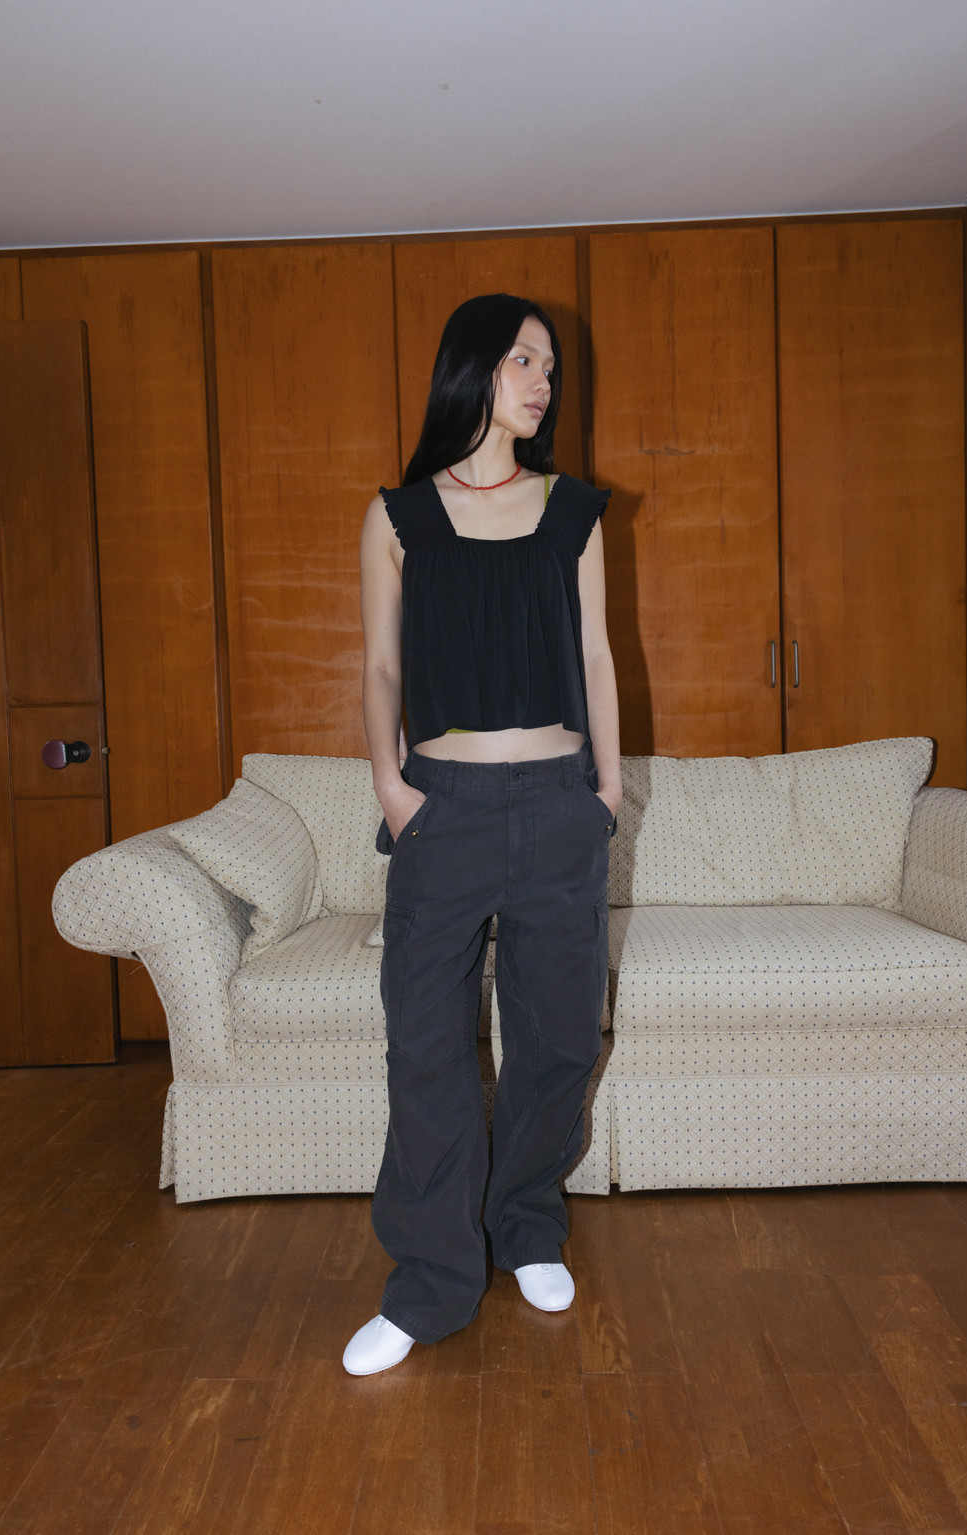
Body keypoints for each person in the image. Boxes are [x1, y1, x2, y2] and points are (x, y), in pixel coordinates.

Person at [344, 293, 621, 1376]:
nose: (542, 380)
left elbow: (596, 655)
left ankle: (527, 1227)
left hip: (558, 803)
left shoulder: (573, 510)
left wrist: (605, 790)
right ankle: (429, 1281)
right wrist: (390, 785)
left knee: (555, 1039)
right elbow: (380, 665)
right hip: (442, 810)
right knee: (424, 1046)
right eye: (522, 359)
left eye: (549, 365)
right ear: (471, 368)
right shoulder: (398, 518)